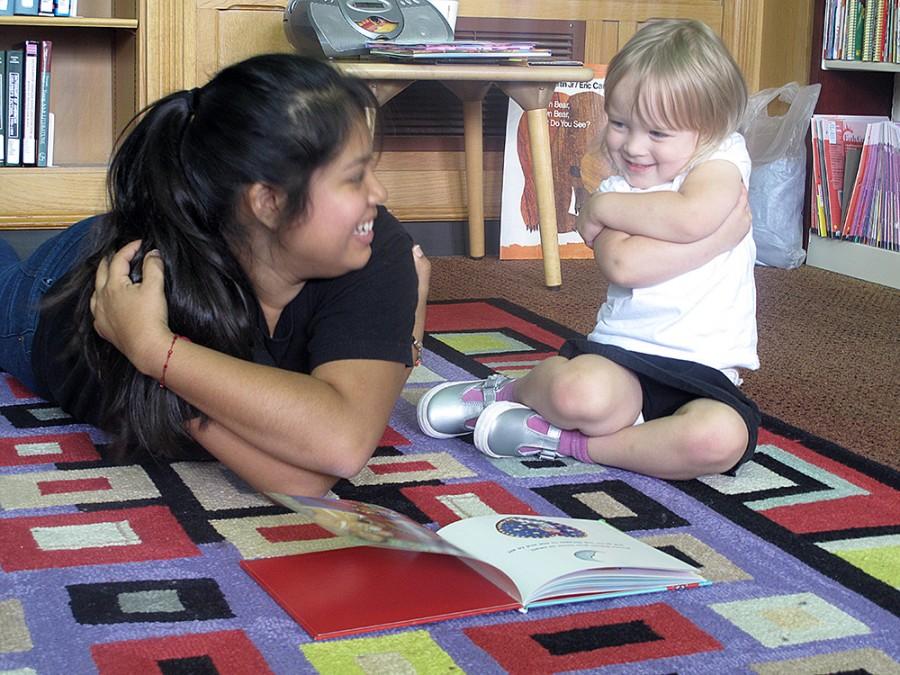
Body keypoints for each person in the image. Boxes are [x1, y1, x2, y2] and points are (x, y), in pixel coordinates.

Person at [0, 53, 430, 497]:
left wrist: (153, 349)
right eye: (355, 177)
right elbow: (310, 470)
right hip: (50, 299)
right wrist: (148, 346)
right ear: (269, 202)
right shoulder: (149, 296)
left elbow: (336, 449)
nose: (378, 194)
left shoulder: (374, 242)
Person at [417, 19, 760, 480]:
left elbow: (691, 216)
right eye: (619, 124)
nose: (634, 146)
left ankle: (566, 443)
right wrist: (714, 235)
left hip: (706, 373)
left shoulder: (721, 163)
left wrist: (601, 207)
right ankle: (509, 393)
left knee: (721, 441)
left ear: (711, 129)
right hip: (622, 357)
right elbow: (624, 264)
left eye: (658, 133)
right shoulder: (621, 186)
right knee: (582, 397)